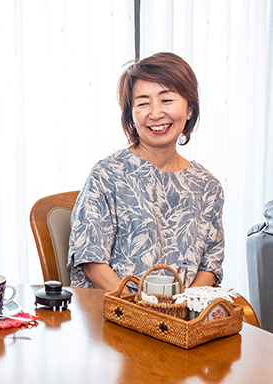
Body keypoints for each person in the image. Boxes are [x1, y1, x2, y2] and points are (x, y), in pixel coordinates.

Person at [68, 52, 224, 291]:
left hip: (183, 320)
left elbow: (209, 268)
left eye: (167, 100)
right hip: (118, 315)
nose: (155, 113)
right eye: (142, 103)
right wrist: (142, 310)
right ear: (131, 115)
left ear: (190, 109)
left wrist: (180, 311)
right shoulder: (107, 175)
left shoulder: (207, 187)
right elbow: (92, 263)